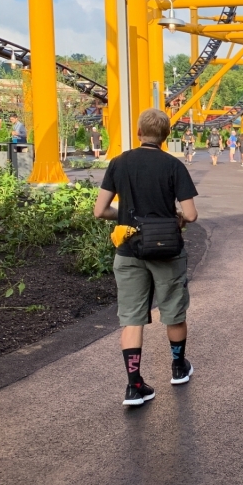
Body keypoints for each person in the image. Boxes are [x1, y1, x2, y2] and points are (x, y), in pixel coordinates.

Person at [94, 109, 199, 407]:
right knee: (174, 312)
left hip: (129, 249)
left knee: (131, 319)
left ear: (139, 132)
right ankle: (178, 368)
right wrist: (175, 219)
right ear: (165, 137)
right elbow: (190, 214)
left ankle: (134, 385)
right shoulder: (173, 166)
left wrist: (126, 216)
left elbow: (100, 210)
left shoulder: (119, 163)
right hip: (167, 249)